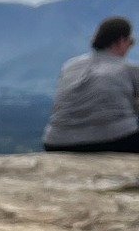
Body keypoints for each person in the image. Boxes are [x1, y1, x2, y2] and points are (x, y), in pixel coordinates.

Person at [43, 16, 139, 153]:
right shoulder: (129, 69)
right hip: (115, 140)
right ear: (121, 41)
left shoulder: (70, 65)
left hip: (55, 142)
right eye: (131, 42)